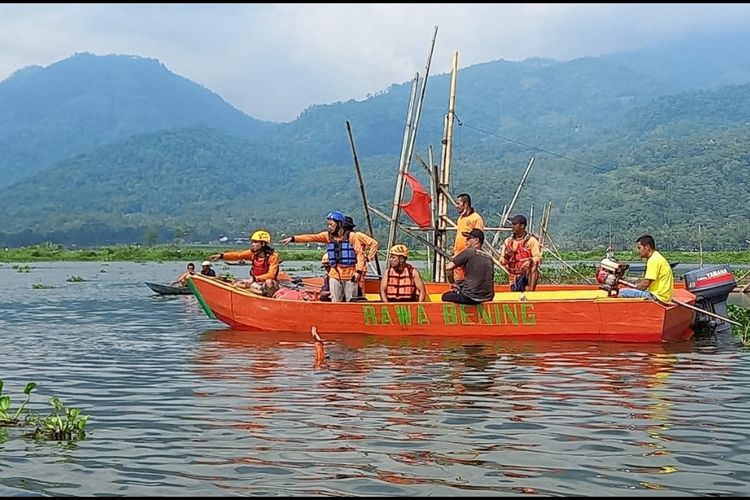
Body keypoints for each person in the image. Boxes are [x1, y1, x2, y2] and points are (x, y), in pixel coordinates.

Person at [280, 210, 367, 302]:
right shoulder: (327, 236)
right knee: (335, 300)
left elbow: (360, 254)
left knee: (351, 301)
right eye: (328, 225)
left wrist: (358, 271)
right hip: (334, 274)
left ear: (339, 224)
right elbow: (312, 237)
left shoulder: (351, 236)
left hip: (350, 275)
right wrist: (293, 239)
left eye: (331, 224)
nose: (329, 227)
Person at [209, 230, 281, 296]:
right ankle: (261, 293)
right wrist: (222, 256)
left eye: (255, 242)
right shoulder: (252, 253)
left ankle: (268, 297)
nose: (253, 244)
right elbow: (238, 255)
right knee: (237, 284)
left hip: (266, 283)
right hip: (255, 282)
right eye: (252, 242)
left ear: (263, 244)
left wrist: (254, 278)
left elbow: (271, 275)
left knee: (269, 282)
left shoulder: (273, 256)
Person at [443, 228, 495, 304]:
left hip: (470, 297)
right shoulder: (489, 257)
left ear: (476, 240)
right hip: (488, 297)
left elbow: (448, 268)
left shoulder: (469, 252)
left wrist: (452, 283)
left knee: (445, 296)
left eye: (468, 238)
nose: (466, 241)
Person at [618, 234, 673, 302]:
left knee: (621, 292)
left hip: (657, 297)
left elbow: (644, 285)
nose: (638, 251)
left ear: (647, 247)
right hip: (663, 297)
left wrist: (633, 287)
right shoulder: (657, 257)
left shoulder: (654, 260)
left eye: (639, 248)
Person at [500, 214, 542, 291]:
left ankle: (531, 293)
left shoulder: (531, 241)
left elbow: (537, 257)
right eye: (512, 224)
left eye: (515, 224)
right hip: (514, 276)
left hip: (526, 275)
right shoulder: (508, 242)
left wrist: (530, 261)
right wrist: (507, 256)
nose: (512, 226)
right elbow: (502, 262)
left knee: (534, 266)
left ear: (522, 226)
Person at [451, 193, 484, 284]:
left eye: (458, 203)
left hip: (468, 257)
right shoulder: (460, 218)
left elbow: (478, 238)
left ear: (465, 204)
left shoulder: (476, 218)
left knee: (468, 281)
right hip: (458, 255)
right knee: (458, 280)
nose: (456, 206)